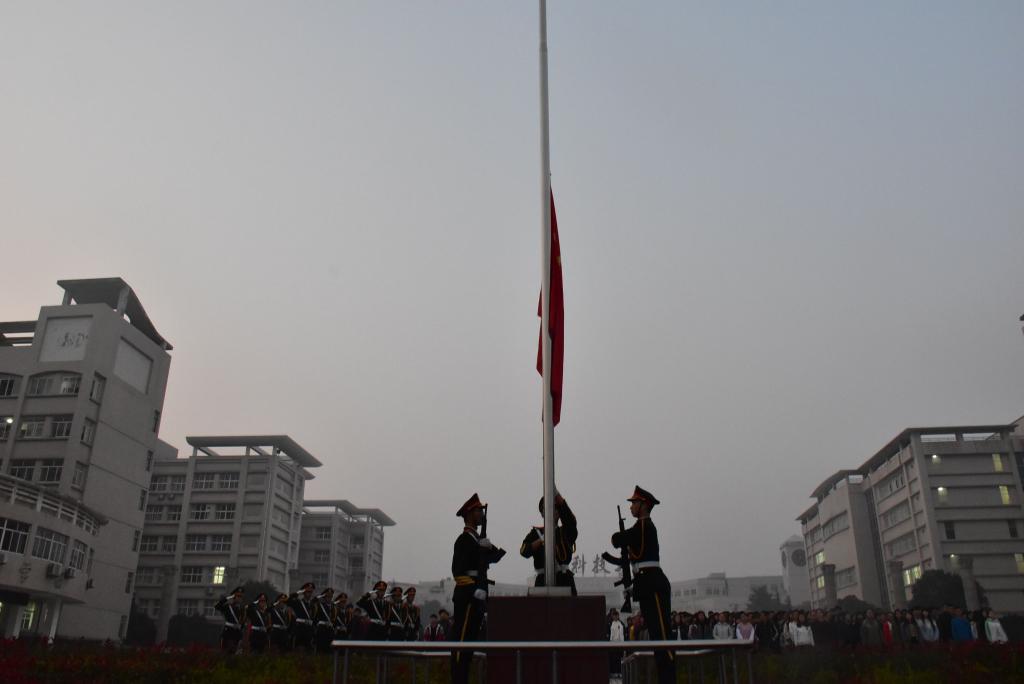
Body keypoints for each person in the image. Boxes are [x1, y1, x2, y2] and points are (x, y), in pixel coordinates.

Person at [610, 486, 675, 684]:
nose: (631, 507)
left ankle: (668, 679)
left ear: (644, 506)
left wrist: (621, 538)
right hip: (646, 583)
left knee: (662, 636)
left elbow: (616, 539)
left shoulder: (645, 526)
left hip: (653, 584)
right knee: (657, 636)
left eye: (634, 503)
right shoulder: (640, 528)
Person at [450, 493, 505, 684]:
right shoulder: (464, 540)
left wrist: (487, 547)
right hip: (467, 597)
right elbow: (458, 573)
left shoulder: (476, 540)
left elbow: (496, 557)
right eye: (478, 510)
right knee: (461, 643)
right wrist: (474, 589)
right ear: (469, 514)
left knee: (470, 646)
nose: (481, 514)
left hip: (478, 597)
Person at [520, 492, 579, 595]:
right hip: (542, 581)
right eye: (547, 508)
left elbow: (571, 521)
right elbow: (524, 551)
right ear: (542, 513)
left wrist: (557, 495)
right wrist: (541, 540)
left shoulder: (565, 531)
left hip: (564, 580)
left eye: (555, 507)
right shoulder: (536, 533)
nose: (552, 511)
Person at [213, 586, 246, 654]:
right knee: (225, 652)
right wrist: (228, 598)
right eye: (238, 596)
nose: (239, 598)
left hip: (237, 633)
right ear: (234, 597)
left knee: (235, 653)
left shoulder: (243, 609)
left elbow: (243, 622)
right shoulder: (228, 607)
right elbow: (217, 606)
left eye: (241, 597)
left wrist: (241, 633)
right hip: (228, 632)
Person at [288, 582, 317, 652]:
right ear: (304, 592)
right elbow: (288, 601)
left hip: (309, 631)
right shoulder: (298, 602)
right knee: (299, 651)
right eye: (307, 592)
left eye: (310, 592)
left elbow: (314, 618)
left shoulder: (313, 605)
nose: (309, 594)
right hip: (300, 630)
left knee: (309, 652)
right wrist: (298, 592)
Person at [314, 587, 336, 653]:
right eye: (327, 596)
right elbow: (313, 601)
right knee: (321, 649)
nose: (329, 598)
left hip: (330, 630)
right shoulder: (319, 605)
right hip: (322, 629)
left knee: (329, 650)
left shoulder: (333, 606)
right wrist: (321, 595)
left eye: (330, 596)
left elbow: (334, 619)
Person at [608, 608, 625, 678]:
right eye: (614, 616)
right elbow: (610, 635)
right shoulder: (611, 624)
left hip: (619, 643)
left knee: (618, 659)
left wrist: (622, 644)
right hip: (612, 643)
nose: (615, 617)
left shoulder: (620, 624)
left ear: (618, 616)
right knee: (613, 659)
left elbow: (621, 635)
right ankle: (614, 672)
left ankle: (619, 672)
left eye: (616, 616)